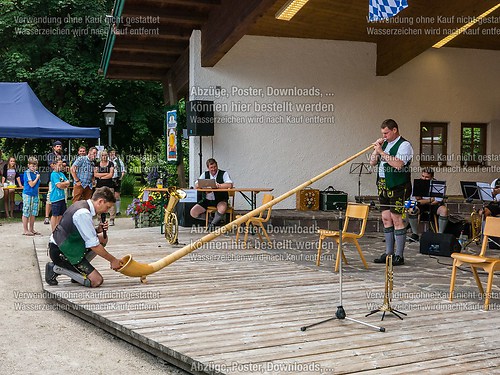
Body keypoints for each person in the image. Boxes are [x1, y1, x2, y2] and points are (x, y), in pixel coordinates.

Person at [45, 187, 121, 287]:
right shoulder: (83, 213)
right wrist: (113, 260)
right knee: (96, 281)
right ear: (100, 201)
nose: (106, 211)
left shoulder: (83, 204)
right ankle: (56, 268)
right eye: (107, 207)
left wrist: (97, 230)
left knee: (102, 238)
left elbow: (80, 231)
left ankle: (77, 273)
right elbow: (94, 246)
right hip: (61, 252)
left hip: (69, 245)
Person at [369, 119, 414, 266]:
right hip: (383, 184)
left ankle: (399, 255)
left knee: (397, 219)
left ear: (394, 130)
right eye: (382, 133)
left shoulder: (405, 145)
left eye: (386, 133)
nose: (384, 136)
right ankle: (389, 253)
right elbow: (372, 162)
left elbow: (399, 164)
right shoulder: (385, 144)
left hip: (399, 186)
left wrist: (382, 151)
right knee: (386, 218)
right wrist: (376, 150)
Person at [407, 168, 449, 242]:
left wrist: (424, 200)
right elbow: (415, 200)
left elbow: (436, 201)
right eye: (423, 176)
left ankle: (440, 234)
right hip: (422, 205)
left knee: (444, 210)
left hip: (433, 205)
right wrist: (430, 199)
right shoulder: (418, 183)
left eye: (427, 177)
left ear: (432, 177)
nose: (424, 179)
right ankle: (415, 234)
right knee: (411, 208)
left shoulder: (437, 184)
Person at [190, 158, 233, 228]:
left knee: (222, 209)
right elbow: (197, 184)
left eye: (215, 167)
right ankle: (212, 220)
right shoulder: (205, 174)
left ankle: (212, 225)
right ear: (208, 168)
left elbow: (230, 185)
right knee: (193, 212)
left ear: (217, 166)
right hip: (207, 200)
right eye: (211, 167)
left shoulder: (223, 173)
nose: (213, 169)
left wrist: (219, 186)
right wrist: (206, 186)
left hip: (220, 199)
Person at [44, 140, 68, 225]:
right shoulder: (50, 155)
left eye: (60, 146)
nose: (59, 148)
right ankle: (47, 217)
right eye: (57, 146)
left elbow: (66, 167)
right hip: (53, 180)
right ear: (54, 147)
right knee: (49, 198)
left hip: (62, 178)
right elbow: (52, 165)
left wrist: (61, 166)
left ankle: (61, 219)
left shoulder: (64, 156)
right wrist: (61, 166)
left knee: (63, 197)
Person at [94, 150, 116, 225]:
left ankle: (112, 218)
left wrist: (101, 176)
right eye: (103, 155)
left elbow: (111, 175)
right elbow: (95, 174)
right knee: (99, 201)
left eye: (106, 155)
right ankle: (100, 219)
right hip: (99, 186)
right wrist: (105, 175)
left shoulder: (111, 164)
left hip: (109, 185)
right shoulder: (97, 164)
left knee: (110, 201)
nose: (104, 157)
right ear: (100, 156)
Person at [22, 157, 41, 235]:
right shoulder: (27, 173)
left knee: (33, 212)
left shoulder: (36, 173)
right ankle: (25, 230)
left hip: (35, 194)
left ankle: (32, 229)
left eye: (35, 166)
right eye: (32, 166)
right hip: (28, 194)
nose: (34, 168)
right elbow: (32, 184)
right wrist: (37, 178)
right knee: (26, 211)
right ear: (28, 165)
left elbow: (37, 186)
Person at [50, 157, 70, 231]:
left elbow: (68, 183)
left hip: (62, 197)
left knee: (61, 215)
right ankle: (53, 229)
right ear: (54, 165)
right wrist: (63, 184)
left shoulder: (61, 174)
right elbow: (58, 185)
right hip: (56, 198)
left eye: (61, 165)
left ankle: (59, 228)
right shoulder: (54, 174)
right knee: (55, 215)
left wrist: (63, 184)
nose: (60, 167)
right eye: (59, 165)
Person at [109, 149, 126, 216]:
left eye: (113, 152)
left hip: (117, 179)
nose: (112, 154)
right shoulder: (107, 160)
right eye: (111, 152)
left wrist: (120, 178)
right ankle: (109, 211)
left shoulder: (119, 160)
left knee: (117, 195)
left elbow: (123, 170)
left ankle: (118, 211)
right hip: (109, 179)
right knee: (109, 195)